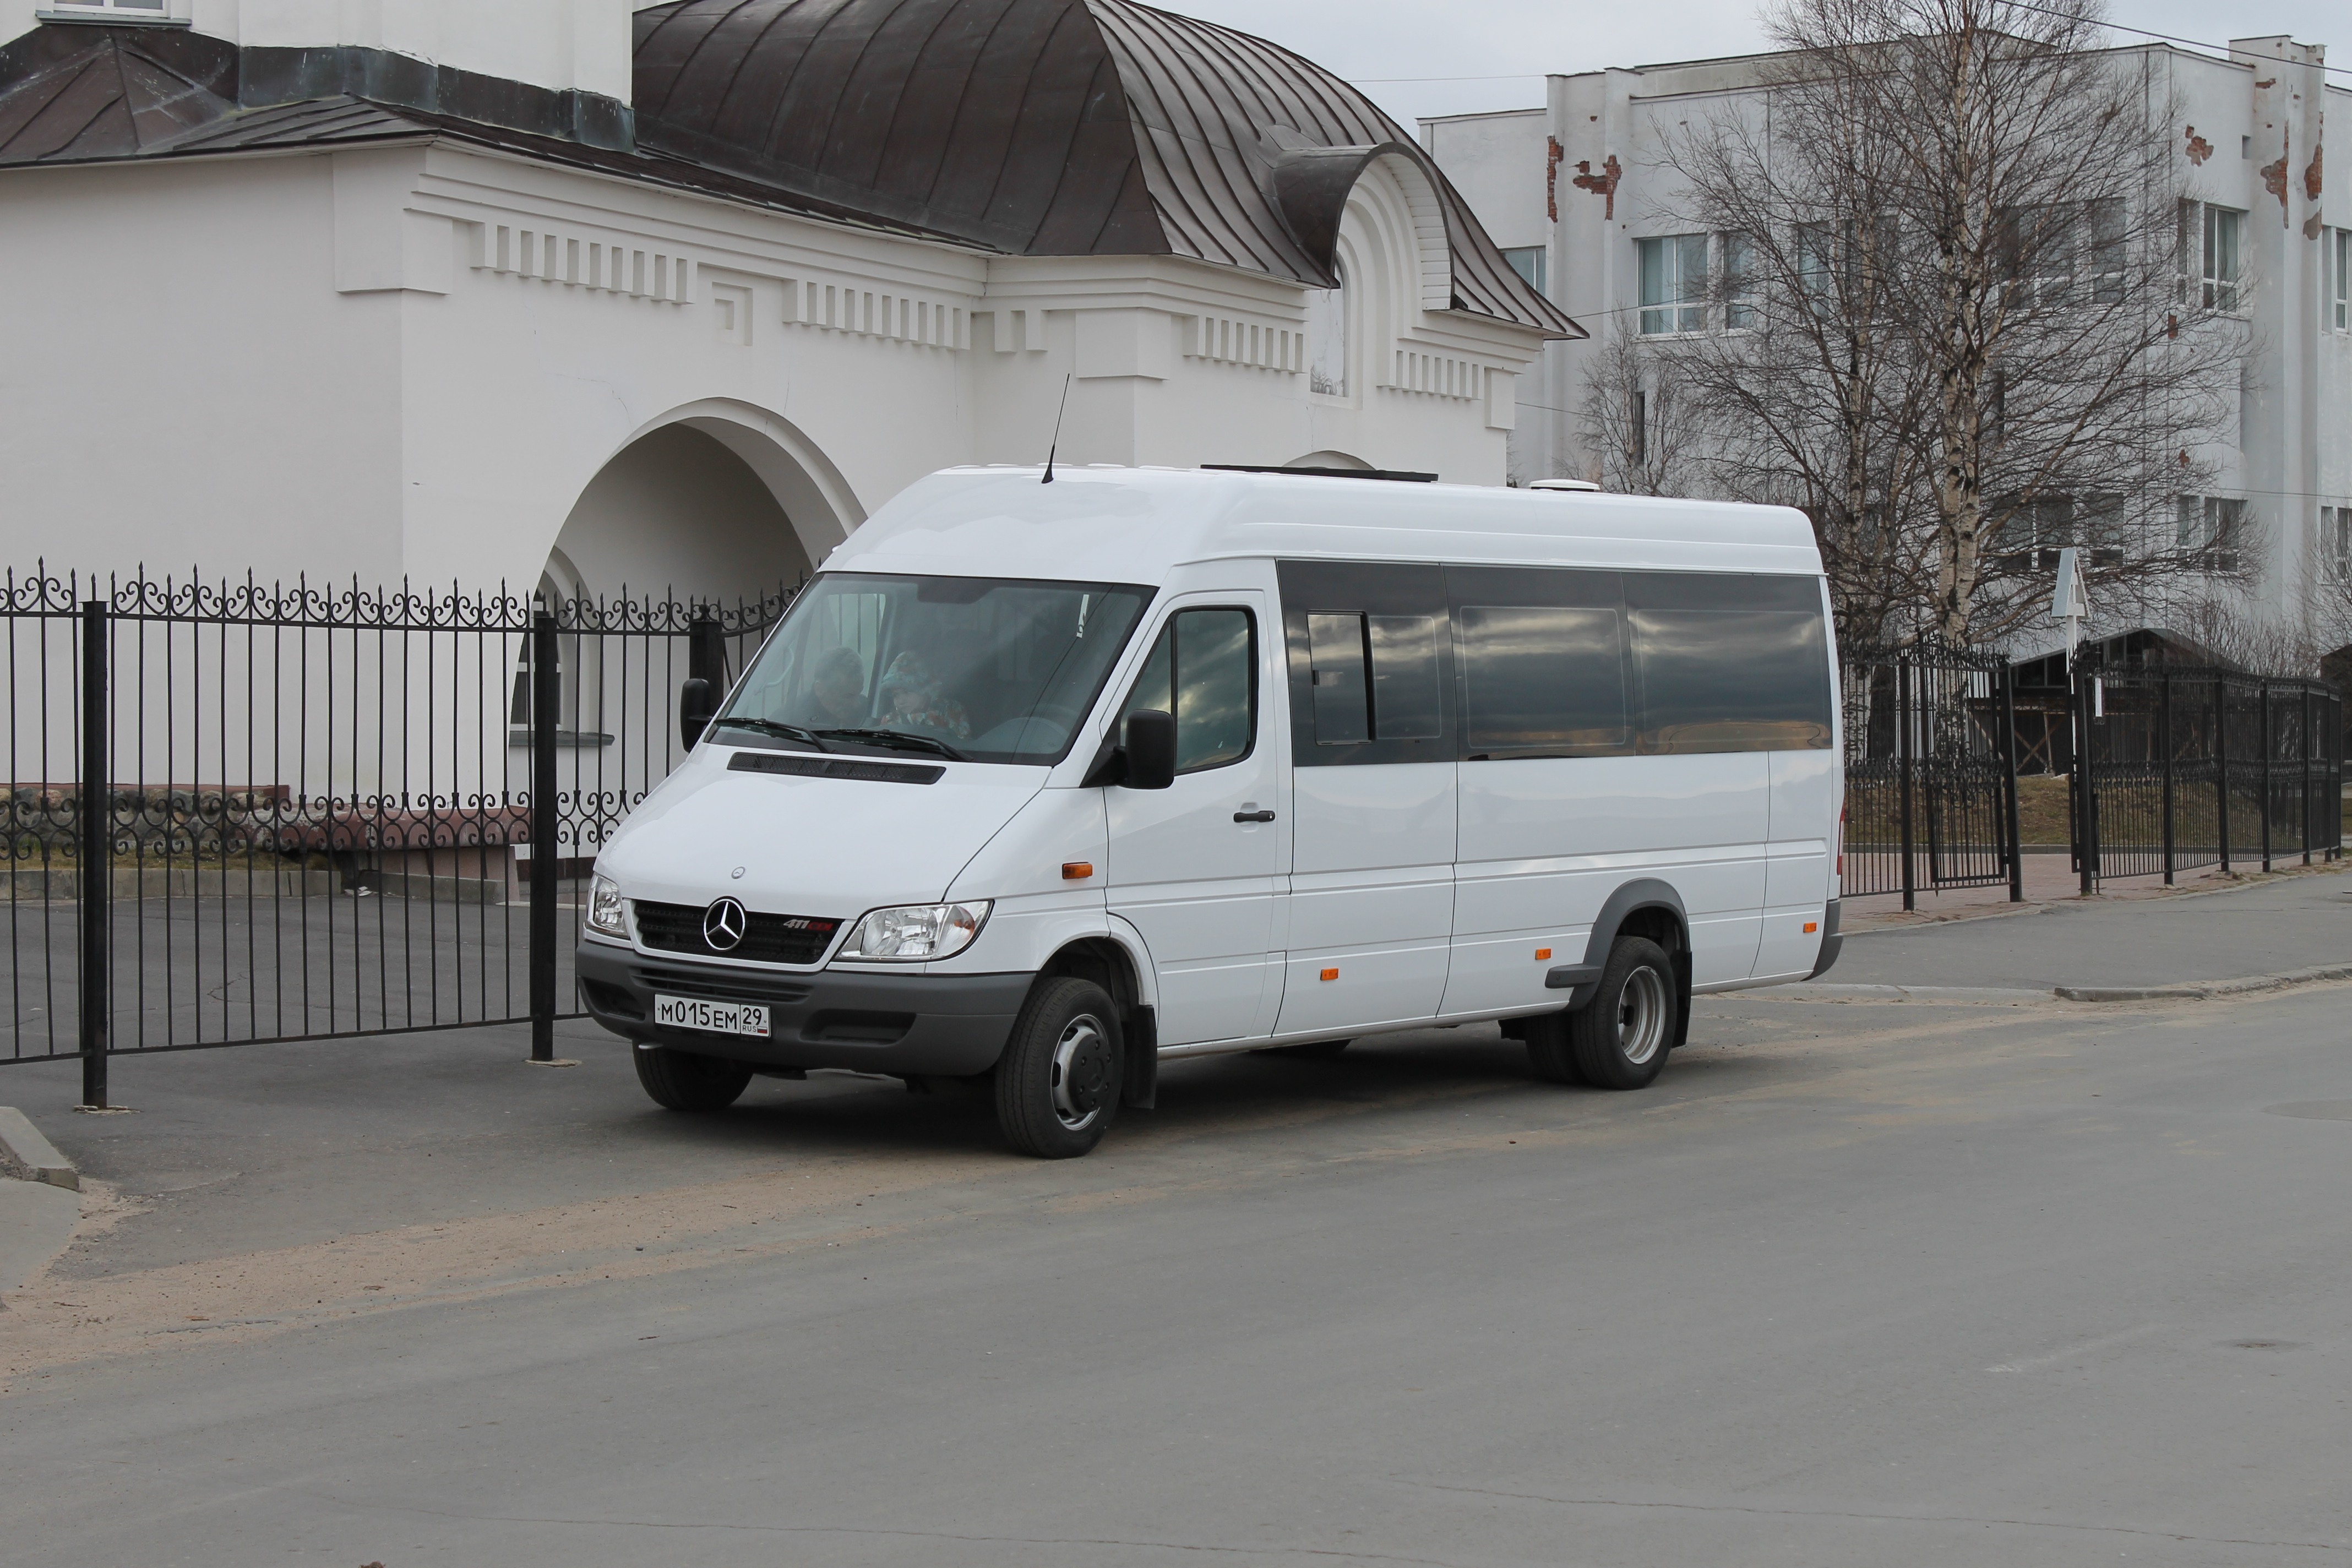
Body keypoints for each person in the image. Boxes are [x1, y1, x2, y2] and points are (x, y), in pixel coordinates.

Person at [875, 650, 971, 741]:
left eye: (907, 692)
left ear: (925, 690)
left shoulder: (949, 711)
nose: (901, 701)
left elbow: (963, 745)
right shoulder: (890, 720)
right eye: (896, 695)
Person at [806, 646, 867, 726]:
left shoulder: (868, 710)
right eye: (848, 696)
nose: (857, 704)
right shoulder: (795, 723)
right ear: (820, 689)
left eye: (858, 694)